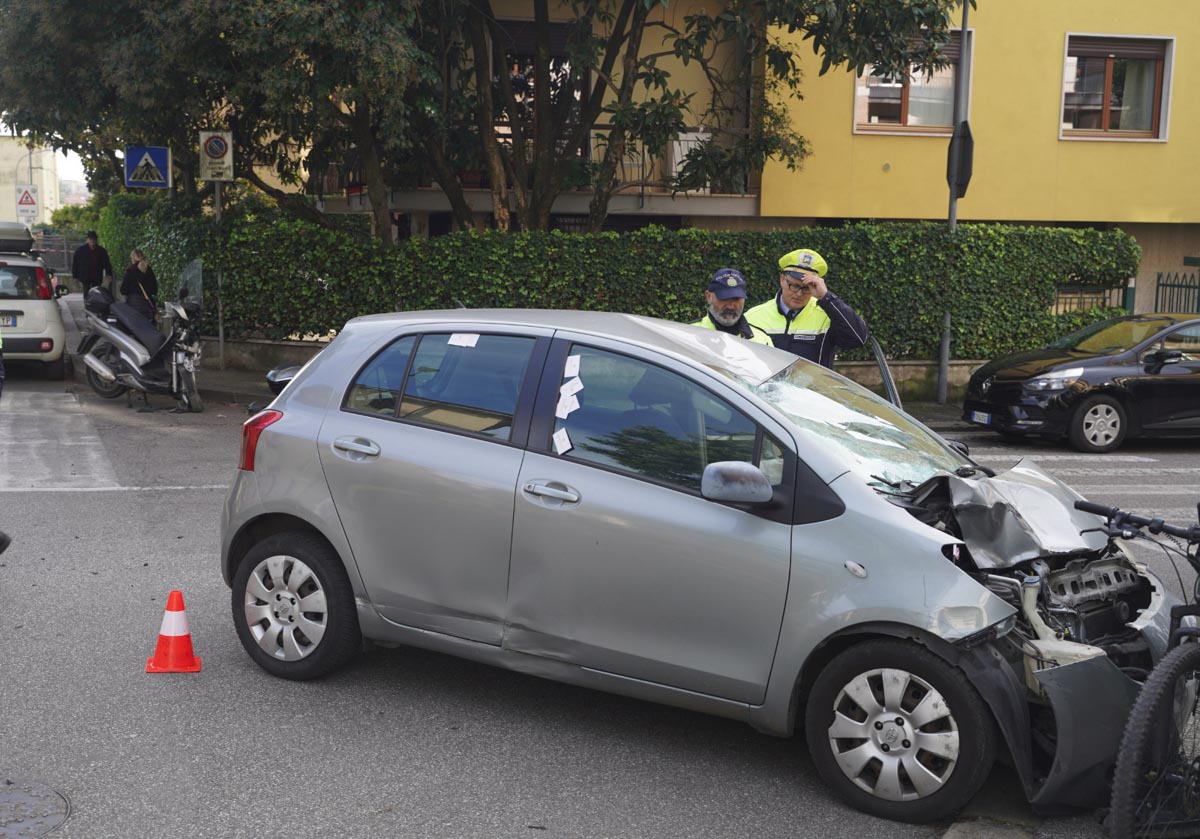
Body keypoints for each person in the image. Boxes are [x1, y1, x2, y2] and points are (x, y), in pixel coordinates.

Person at [745, 248, 868, 368]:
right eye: (794, 286)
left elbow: (858, 339)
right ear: (782, 279)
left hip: (812, 389)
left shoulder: (826, 314)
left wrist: (826, 297)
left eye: (806, 288)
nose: (799, 294)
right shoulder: (753, 317)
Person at [691, 268, 772, 345]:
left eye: (736, 299)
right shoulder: (689, 335)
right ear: (708, 297)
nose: (730, 306)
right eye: (724, 298)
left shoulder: (762, 340)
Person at [72, 230, 113, 298]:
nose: (92, 240)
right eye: (91, 239)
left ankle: (95, 306)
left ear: (96, 240)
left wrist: (109, 274)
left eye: (94, 239)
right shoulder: (80, 250)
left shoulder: (101, 251)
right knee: (86, 292)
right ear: (87, 240)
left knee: (96, 293)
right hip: (85, 276)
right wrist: (75, 276)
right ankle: (87, 304)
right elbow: (75, 263)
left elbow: (107, 263)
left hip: (97, 276)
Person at [120, 249, 158, 322]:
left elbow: (123, 290)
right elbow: (154, 290)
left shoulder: (130, 271)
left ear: (133, 259)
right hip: (147, 306)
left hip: (132, 306)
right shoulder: (149, 271)